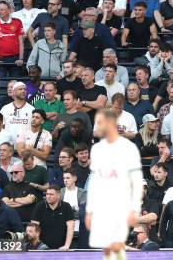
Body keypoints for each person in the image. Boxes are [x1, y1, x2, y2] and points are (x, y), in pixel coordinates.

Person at [86, 108, 142, 257]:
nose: (96, 126)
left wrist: (134, 209)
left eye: (99, 123)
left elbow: (136, 182)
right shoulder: (96, 149)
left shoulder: (128, 147)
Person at [30, 184, 74, 249]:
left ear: (58, 195)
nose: (48, 196)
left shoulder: (66, 207)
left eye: (51, 194)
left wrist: (66, 246)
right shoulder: (39, 206)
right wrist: (38, 246)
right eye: (47, 194)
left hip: (62, 248)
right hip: (42, 248)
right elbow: (34, 228)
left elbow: (71, 227)